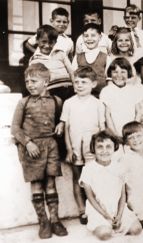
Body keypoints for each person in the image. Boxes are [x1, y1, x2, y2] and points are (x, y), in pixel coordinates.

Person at [11, 63, 67, 239]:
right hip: (31, 149)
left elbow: (63, 119)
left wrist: (61, 124)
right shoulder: (23, 102)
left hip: (51, 146)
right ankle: (43, 222)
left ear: (46, 81)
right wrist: (27, 143)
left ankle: (55, 220)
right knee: (36, 184)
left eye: (34, 80)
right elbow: (15, 128)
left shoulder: (57, 102)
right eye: (27, 81)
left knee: (51, 184)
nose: (30, 84)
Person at [61, 66, 107, 225]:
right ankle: (82, 211)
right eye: (76, 82)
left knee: (94, 179)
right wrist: (68, 149)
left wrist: (100, 150)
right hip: (74, 147)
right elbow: (66, 128)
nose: (79, 85)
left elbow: (102, 130)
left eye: (84, 82)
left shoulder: (98, 104)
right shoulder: (68, 103)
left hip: (92, 149)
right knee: (77, 179)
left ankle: (96, 208)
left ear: (94, 84)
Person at [80, 131, 142, 240]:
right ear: (93, 149)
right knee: (105, 234)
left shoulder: (119, 167)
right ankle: (104, 225)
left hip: (117, 208)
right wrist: (105, 215)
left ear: (115, 148)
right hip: (98, 209)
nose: (104, 151)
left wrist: (119, 215)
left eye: (108, 146)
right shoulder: (88, 169)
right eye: (100, 147)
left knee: (136, 229)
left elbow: (123, 195)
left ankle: (117, 223)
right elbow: (90, 198)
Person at [100, 57, 143, 138]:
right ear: (110, 73)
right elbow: (107, 115)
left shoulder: (133, 90)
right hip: (114, 130)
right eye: (115, 72)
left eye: (123, 72)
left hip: (132, 132)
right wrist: (114, 134)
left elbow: (138, 112)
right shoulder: (106, 91)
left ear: (128, 73)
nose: (119, 75)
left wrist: (132, 131)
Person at [28, 24, 74, 101]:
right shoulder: (35, 60)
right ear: (37, 40)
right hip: (50, 92)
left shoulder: (60, 53)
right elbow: (35, 80)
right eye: (44, 42)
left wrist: (75, 87)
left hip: (68, 88)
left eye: (51, 42)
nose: (47, 45)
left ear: (55, 42)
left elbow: (71, 71)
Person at [72, 23, 110, 97]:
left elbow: (108, 79)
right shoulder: (77, 57)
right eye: (86, 36)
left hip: (100, 95)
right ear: (82, 37)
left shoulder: (106, 57)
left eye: (93, 35)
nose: (89, 39)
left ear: (100, 37)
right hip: (81, 96)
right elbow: (73, 77)